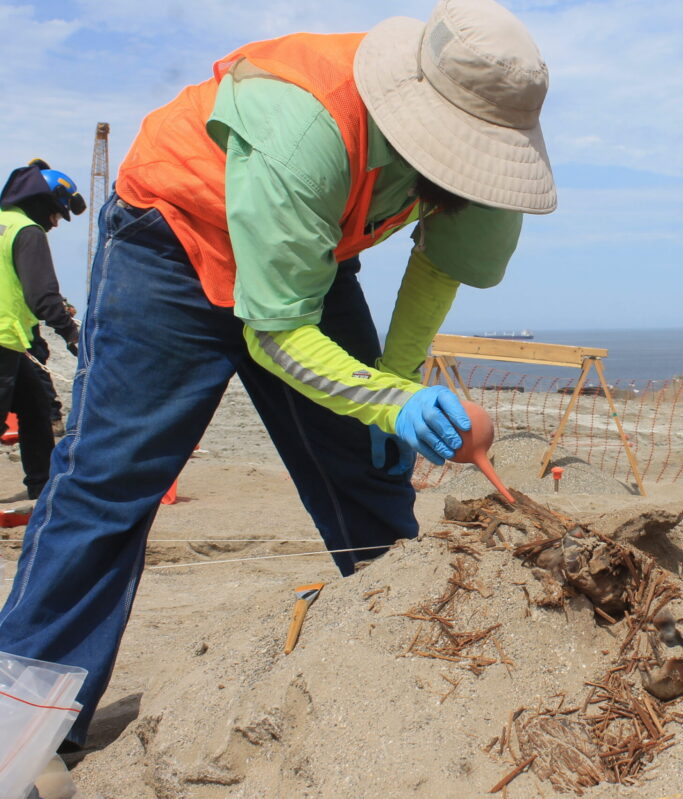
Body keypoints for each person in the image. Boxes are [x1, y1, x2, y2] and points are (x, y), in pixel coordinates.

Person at [0, 0, 555, 754]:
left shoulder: (488, 138)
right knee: (106, 485)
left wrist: (393, 384)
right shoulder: (306, 125)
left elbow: (440, 264)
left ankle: (419, 675)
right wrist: (391, 401)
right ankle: (21, 734)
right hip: (176, 239)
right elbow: (277, 334)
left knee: (367, 470)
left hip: (302, 262)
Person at [0, 160, 83, 500]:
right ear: (44, 203)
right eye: (57, 215)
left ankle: (42, 487)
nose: (56, 224)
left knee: (35, 406)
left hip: (14, 343)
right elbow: (42, 296)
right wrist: (72, 334)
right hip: (3, 338)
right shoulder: (27, 232)